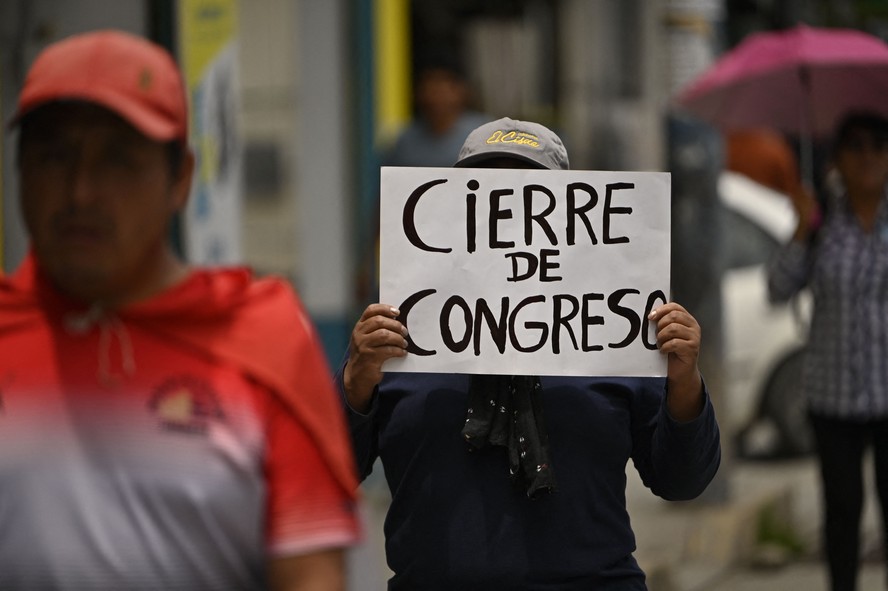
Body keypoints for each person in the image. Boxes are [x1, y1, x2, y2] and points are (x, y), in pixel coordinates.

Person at [0, 30, 359, 590]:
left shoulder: (262, 339)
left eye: (119, 160)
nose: (81, 192)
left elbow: (310, 575)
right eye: (53, 156)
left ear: (180, 179)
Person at [338, 117, 721, 589]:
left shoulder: (612, 327)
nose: (509, 212)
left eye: (527, 191)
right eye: (487, 190)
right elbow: (335, 475)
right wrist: (356, 383)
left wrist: (685, 383)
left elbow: (681, 481)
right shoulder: (404, 326)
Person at [768, 111, 888, 591]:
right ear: (837, 157)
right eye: (855, 145)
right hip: (833, 395)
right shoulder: (820, 221)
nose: (867, 156)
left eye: (878, 144)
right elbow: (777, 289)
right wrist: (799, 229)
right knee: (842, 515)